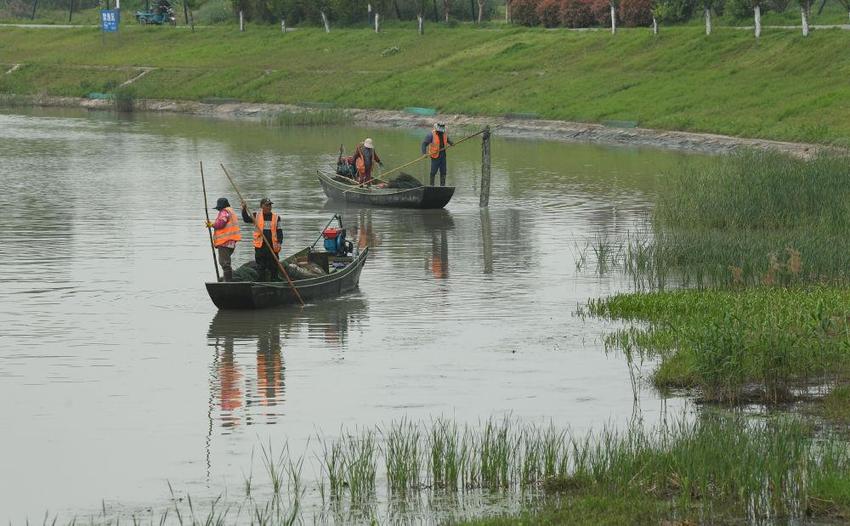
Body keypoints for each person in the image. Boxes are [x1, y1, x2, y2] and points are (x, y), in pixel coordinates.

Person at [241, 197, 283, 282]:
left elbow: (279, 231)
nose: (269, 207)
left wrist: (279, 242)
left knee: (274, 264)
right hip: (260, 246)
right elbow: (246, 219)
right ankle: (261, 281)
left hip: (272, 245)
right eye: (267, 205)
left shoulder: (276, 217)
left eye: (270, 205)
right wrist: (244, 209)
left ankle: (274, 279)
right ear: (262, 206)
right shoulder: (256, 215)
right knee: (261, 265)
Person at [207, 197, 241, 282]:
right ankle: (227, 279)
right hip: (231, 242)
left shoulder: (224, 212)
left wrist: (212, 224)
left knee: (224, 262)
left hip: (225, 242)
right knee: (226, 262)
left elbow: (220, 224)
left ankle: (228, 281)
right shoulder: (231, 211)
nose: (219, 211)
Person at [421, 122, 454, 186]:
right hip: (435, 156)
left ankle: (442, 186)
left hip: (443, 155)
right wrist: (424, 153)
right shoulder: (431, 135)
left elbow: (447, 139)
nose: (441, 132)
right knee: (433, 172)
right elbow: (424, 144)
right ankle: (432, 186)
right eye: (440, 130)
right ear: (436, 129)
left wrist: (451, 143)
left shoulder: (444, 133)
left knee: (443, 172)